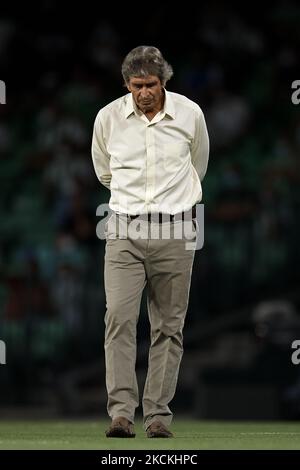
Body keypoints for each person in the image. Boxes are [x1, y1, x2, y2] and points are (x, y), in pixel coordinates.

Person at [91, 46, 209, 438]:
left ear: (164, 82)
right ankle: (122, 414)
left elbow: (199, 164)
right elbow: (105, 173)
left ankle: (157, 415)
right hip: (124, 228)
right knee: (119, 320)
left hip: (176, 229)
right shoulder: (108, 118)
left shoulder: (190, 114)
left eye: (152, 85)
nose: (145, 93)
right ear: (126, 84)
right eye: (137, 85)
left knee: (169, 326)